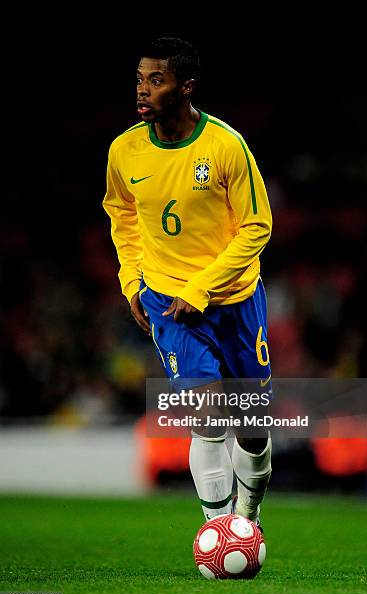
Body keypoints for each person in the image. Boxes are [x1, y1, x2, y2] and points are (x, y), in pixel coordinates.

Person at [102, 37, 273, 526]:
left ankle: (248, 514)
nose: (143, 90)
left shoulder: (225, 146)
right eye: (140, 79)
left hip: (234, 299)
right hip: (167, 300)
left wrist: (203, 289)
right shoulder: (124, 152)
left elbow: (257, 227)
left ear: (186, 87)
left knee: (253, 431)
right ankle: (219, 530)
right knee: (206, 419)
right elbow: (122, 213)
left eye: (156, 81)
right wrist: (132, 280)